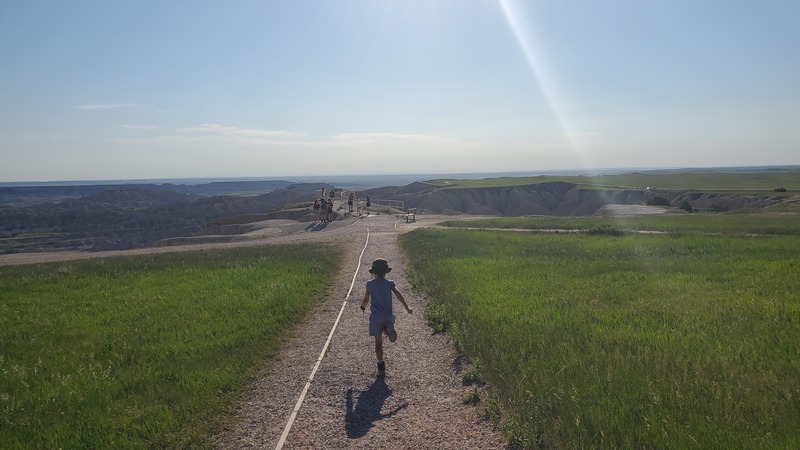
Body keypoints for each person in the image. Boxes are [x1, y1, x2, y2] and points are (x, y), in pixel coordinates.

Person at [360, 258, 412, 377]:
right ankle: (387, 328)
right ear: (385, 272)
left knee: (378, 342)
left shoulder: (369, 284)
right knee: (387, 322)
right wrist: (407, 308)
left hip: (376, 317)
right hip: (388, 316)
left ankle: (381, 366)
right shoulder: (390, 283)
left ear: (373, 272)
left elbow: (366, 300)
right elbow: (398, 294)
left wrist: (362, 307)